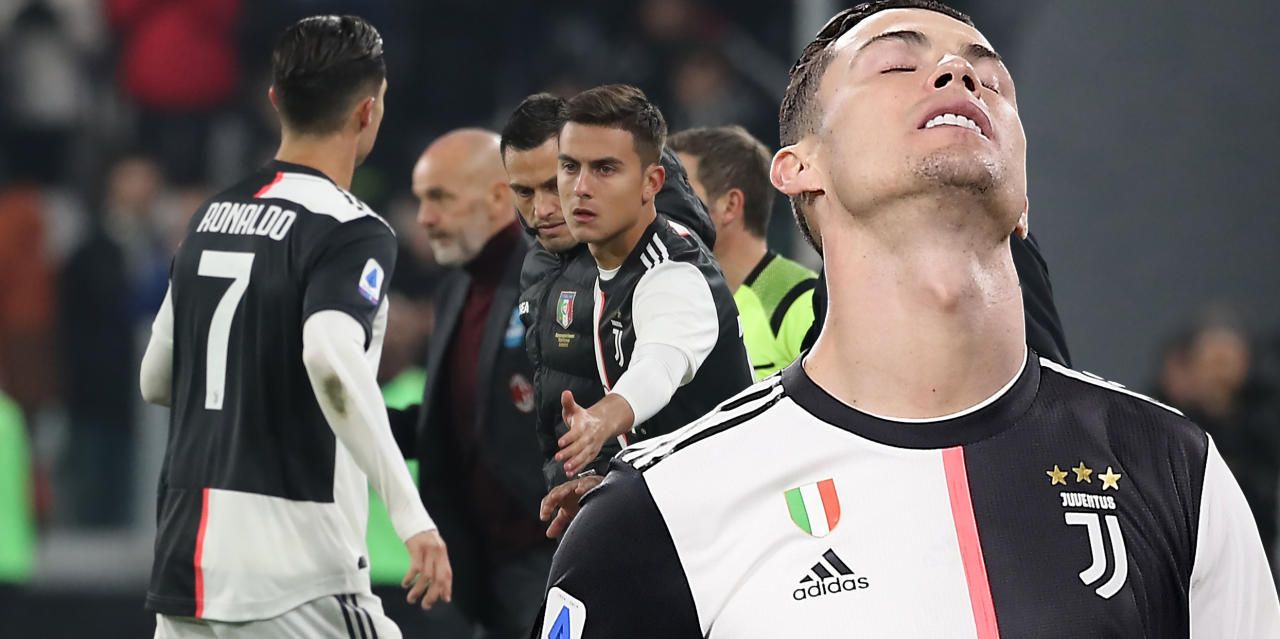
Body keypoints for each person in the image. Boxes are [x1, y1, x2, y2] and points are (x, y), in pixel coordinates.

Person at [532, 2, 1280, 636]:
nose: (958, 74)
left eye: (989, 76)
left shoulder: (1175, 470)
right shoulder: (658, 511)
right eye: (896, 64)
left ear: (1025, 195)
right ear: (797, 167)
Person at [139, 16, 449, 638]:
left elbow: (156, 379)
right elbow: (330, 358)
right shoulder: (350, 230)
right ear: (368, 112)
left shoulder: (208, 219)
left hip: (185, 564)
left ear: (274, 100)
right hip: (293, 570)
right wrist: (411, 514)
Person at [501, 93, 715, 537]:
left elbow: (661, 362)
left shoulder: (665, 263)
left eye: (553, 183)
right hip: (603, 507)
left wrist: (604, 420)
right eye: (524, 192)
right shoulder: (540, 264)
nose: (542, 210)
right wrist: (584, 478)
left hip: (693, 519)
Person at [387, 128, 552, 639]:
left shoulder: (554, 281)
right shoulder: (456, 287)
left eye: (440, 198)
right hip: (479, 575)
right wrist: (356, 423)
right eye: (420, 200)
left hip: (546, 560)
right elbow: (456, 423)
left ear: (498, 197)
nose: (424, 218)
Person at [551, 84, 754, 484]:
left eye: (605, 169)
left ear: (651, 183)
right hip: (677, 499)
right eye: (570, 167)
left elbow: (658, 367)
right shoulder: (602, 262)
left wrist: (600, 421)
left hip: (731, 508)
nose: (580, 188)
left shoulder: (674, 274)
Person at [669, 125, 818, 379]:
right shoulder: (669, 301)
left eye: (680, 193)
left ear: (730, 205)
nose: (660, 210)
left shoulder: (802, 301)